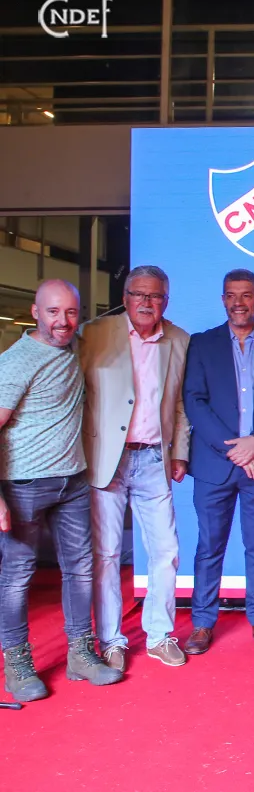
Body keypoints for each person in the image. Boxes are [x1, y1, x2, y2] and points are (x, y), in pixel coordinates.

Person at [0, 280, 122, 702]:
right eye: (53, 312)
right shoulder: (16, 361)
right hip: (24, 484)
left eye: (71, 312)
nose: (63, 321)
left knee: (80, 570)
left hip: (73, 480)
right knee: (17, 576)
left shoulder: (74, 349)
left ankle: (80, 655)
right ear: (36, 312)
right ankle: (16, 666)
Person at [181, 269, 254, 654]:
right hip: (214, 466)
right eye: (231, 295)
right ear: (223, 300)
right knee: (209, 546)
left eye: (246, 295)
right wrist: (235, 450)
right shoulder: (202, 344)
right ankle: (202, 623)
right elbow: (194, 401)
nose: (238, 302)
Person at [79, 265, 191, 670]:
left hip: (154, 458)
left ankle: (159, 636)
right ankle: (111, 640)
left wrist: (180, 453)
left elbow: (180, 403)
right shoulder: (94, 334)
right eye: (139, 294)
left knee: (166, 551)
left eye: (155, 295)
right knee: (107, 553)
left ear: (166, 301)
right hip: (106, 459)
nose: (146, 302)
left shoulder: (179, 340)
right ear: (125, 298)